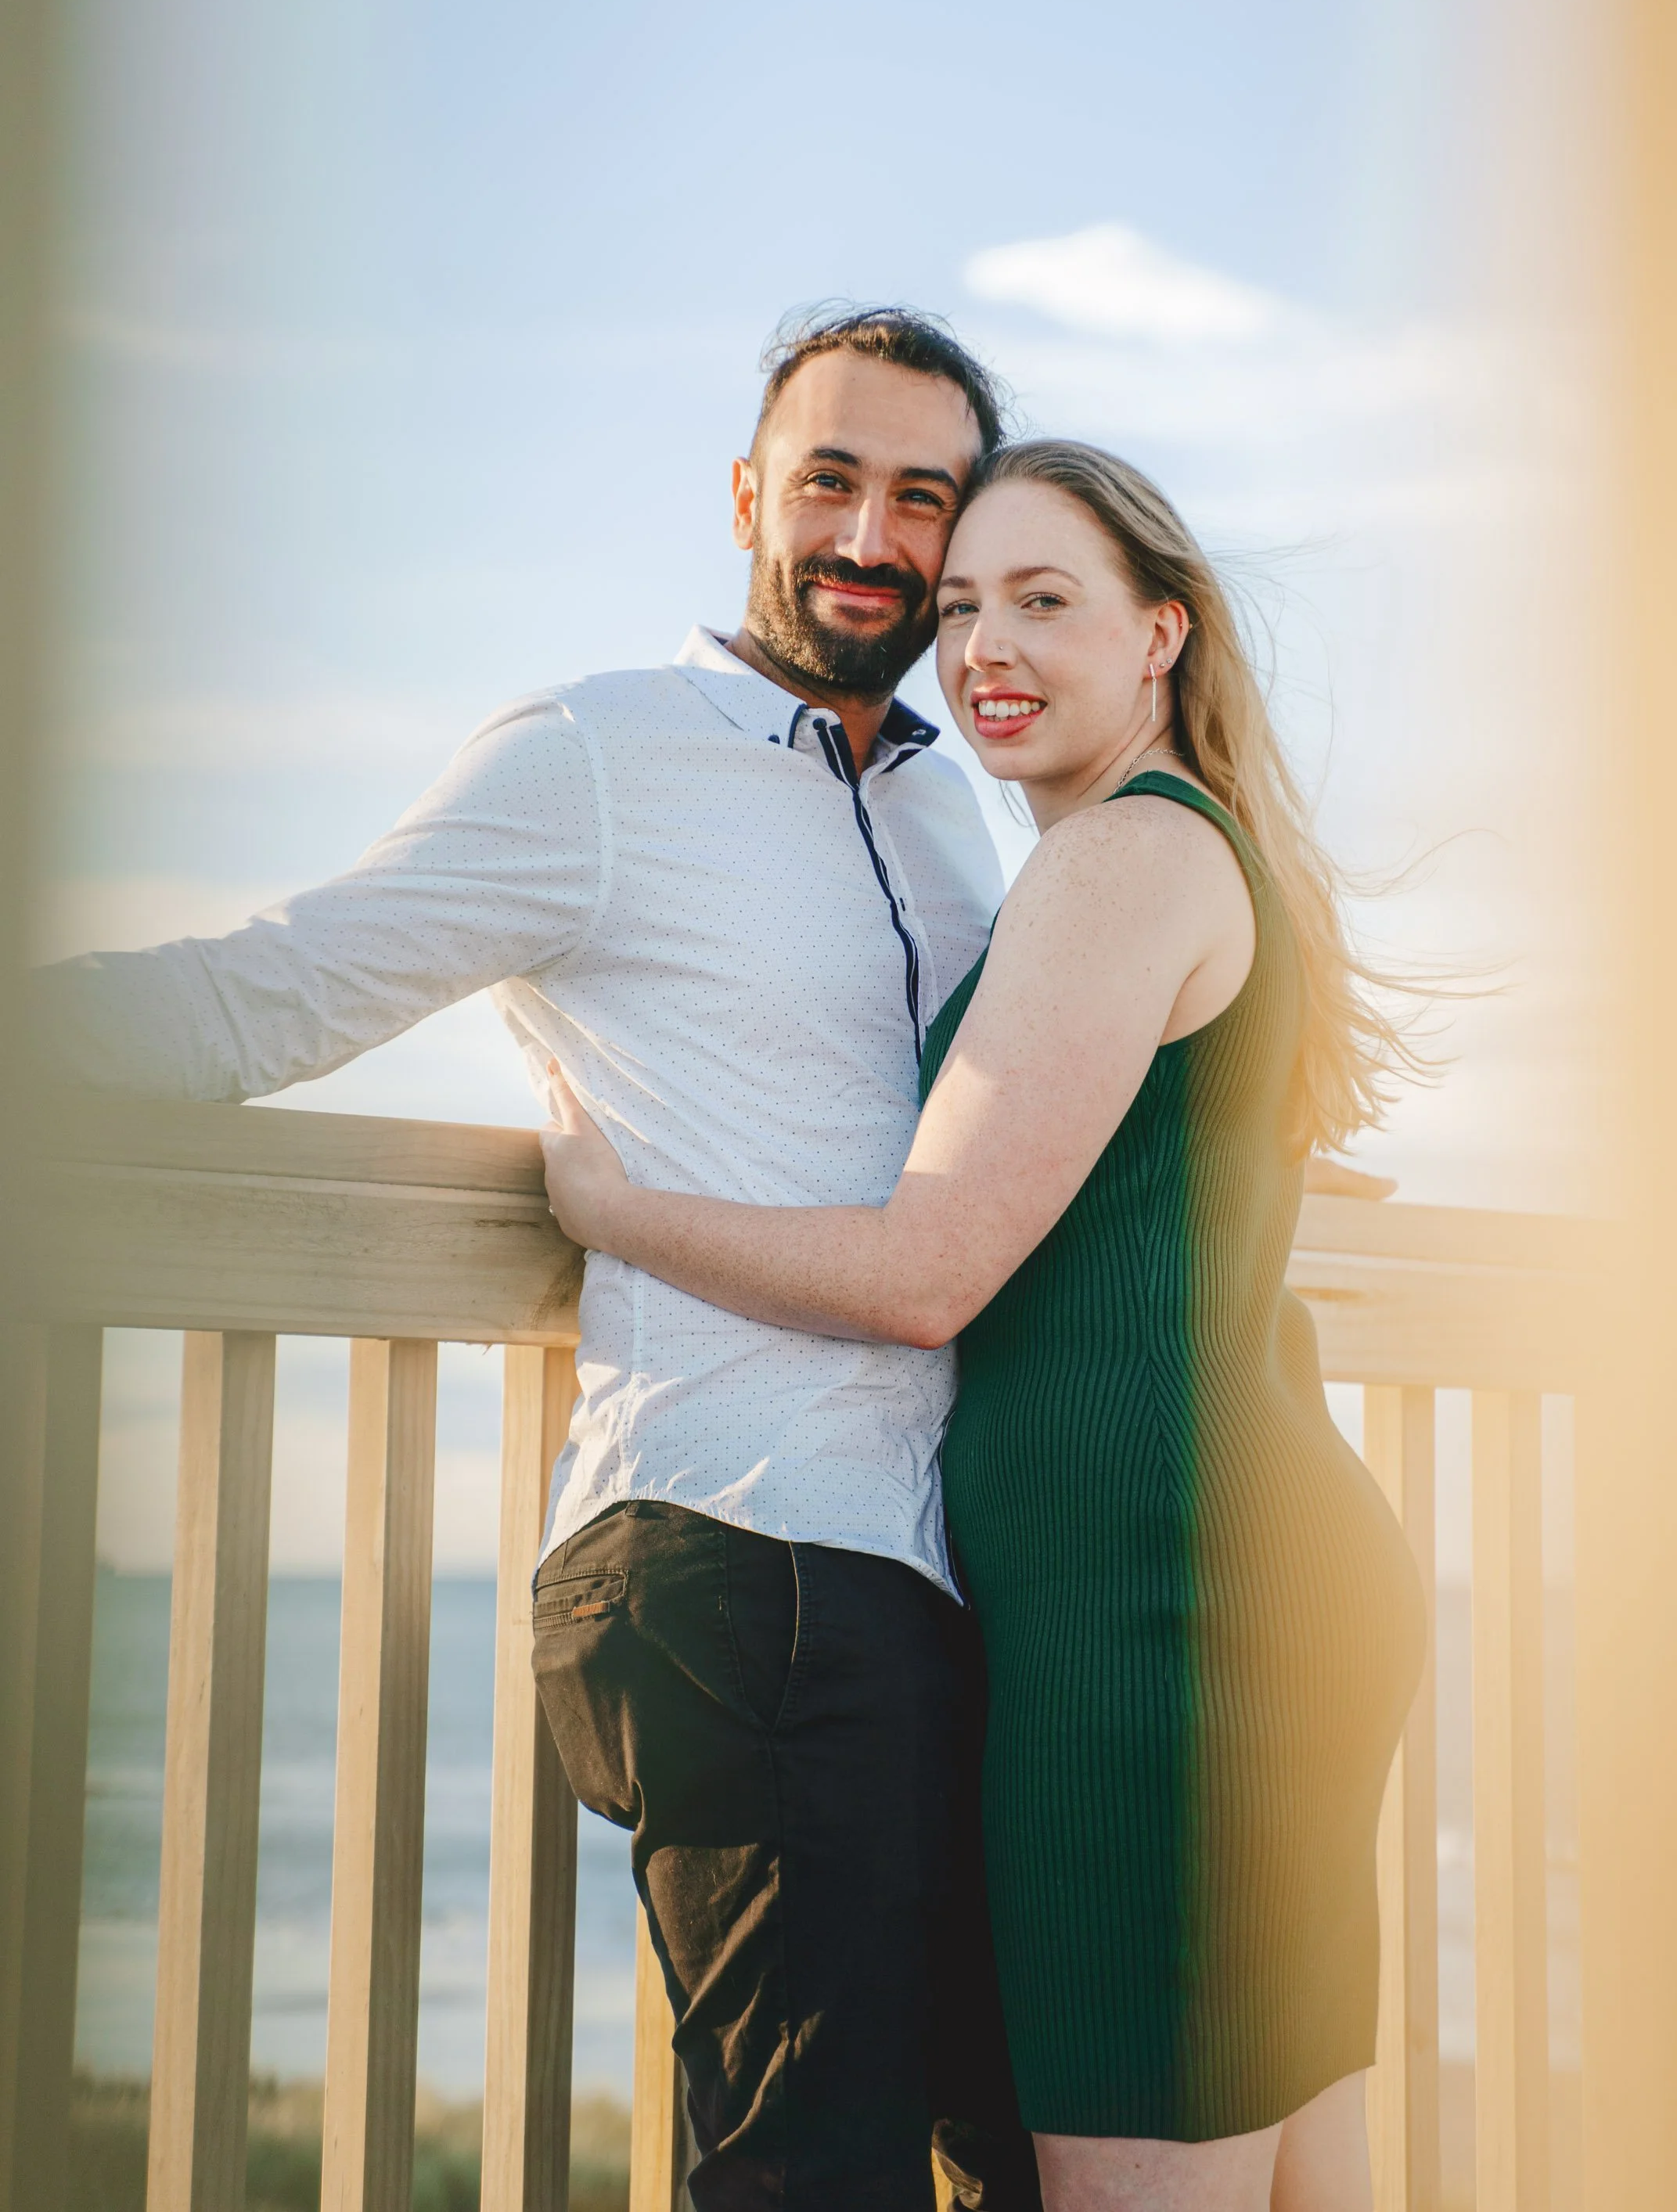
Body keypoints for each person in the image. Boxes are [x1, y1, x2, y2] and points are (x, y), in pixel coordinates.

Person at [34, 308, 1045, 2210]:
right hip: (742, 1550)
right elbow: (266, 995)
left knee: (1028, 2155)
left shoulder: (944, 798)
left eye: (923, 497)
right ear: (750, 495)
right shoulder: (597, 754)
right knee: (808, 2181)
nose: (870, 534)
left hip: (923, 1579)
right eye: (830, 477)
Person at [539, 439, 1430, 2212]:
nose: (986, 649)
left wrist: (609, 1204)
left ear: (1162, 631)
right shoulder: (1185, 853)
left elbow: (928, 1270)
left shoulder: (1118, 865)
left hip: (1161, 1638)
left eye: (1044, 601)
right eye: (962, 609)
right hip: (1225, 1591)